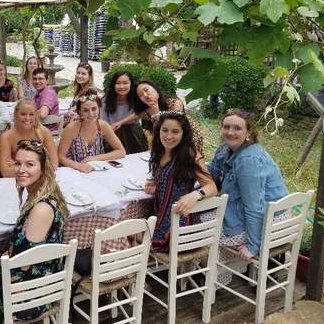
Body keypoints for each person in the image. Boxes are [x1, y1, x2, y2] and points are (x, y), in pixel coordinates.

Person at [0, 140, 68, 324]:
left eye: (29, 164)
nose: (21, 170)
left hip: (34, 295)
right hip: (40, 276)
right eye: (18, 163)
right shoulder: (43, 193)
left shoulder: (41, 209)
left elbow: (22, 265)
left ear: (43, 168)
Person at [206, 109, 290, 263]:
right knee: (198, 215)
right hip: (250, 212)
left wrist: (253, 246)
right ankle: (212, 269)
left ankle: (211, 271)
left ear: (249, 133)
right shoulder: (226, 148)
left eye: (237, 128)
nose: (230, 132)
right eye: (226, 127)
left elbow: (254, 207)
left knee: (198, 224)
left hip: (268, 222)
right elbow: (211, 168)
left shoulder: (248, 160)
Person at [143, 111, 217, 252]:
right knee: (129, 226)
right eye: (164, 130)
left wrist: (195, 195)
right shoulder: (160, 151)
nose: (168, 136)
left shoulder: (190, 155)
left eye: (175, 132)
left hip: (178, 225)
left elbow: (211, 187)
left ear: (184, 134)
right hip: (159, 216)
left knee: (127, 234)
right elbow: (170, 175)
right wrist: (156, 181)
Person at [115, 80, 204, 156]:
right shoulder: (148, 108)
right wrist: (120, 123)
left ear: (155, 89)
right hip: (167, 142)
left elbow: (175, 127)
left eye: (146, 90)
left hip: (186, 140)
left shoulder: (174, 103)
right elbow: (136, 115)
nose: (145, 95)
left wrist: (156, 113)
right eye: (141, 94)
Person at [57, 88, 126, 173]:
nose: (91, 114)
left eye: (94, 109)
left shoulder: (103, 126)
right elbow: (60, 157)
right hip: (73, 171)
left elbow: (121, 151)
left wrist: (96, 158)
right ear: (80, 112)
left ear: (99, 109)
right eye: (85, 110)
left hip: (96, 171)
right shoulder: (72, 128)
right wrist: (78, 166)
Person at [0, 99, 58, 177]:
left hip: (40, 179)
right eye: (23, 114)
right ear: (15, 115)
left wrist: (18, 166)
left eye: (31, 114)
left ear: (36, 116)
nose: (27, 118)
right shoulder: (6, 137)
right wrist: (41, 167)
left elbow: (54, 163)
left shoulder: (45, 133)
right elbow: (6, 172)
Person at [100, 70, 148, 154]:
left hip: (133, 134)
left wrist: (120, 122)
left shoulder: (136, 98)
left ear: (131, 84)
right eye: (118, 83)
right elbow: (103, 122)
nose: (121, 86)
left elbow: (141, 113)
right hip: (113, 134)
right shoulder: (106, 101)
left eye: (125, 83)